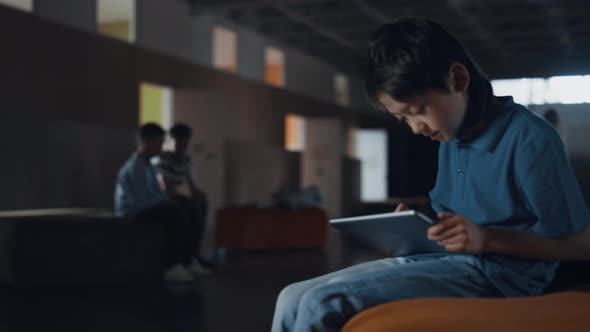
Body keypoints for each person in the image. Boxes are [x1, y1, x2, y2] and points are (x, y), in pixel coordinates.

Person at [271, 18, 590, 332]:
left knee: (320, 303)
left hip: (497, 277)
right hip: (445, 261)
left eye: (418, 110)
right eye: (403, 118)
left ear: (458, 79)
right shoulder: (452, 135)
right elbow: (452, 217)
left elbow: (579, 244)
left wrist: (485, 239)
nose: (416, 128)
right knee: (291, 296)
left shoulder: (531, 139)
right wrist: (412, 227)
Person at [114, 123, 210, 283]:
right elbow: (141, 202)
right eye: (159, 142)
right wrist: (167, 198)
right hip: (133, 212)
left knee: (187, 206)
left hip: (144, 207)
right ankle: (172, 266)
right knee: (176, 212)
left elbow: (156, 195)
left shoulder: (148, 166)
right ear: (147, 142)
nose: (161, 147)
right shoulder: (135, 168)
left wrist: (170, 198)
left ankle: (188, 260)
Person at [153, 123, 213, 272]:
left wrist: (199, 195)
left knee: (201, 205)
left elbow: (192, 187)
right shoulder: (162, 159)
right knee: (187, 208)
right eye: (178, 143)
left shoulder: (186, 160)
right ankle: (179, 260)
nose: (182, 146)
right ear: (171, 141)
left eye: (184, 143)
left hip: (176, 196)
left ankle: (192, 257)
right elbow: (166, 189)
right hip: (160, 198)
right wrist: (187, 198)